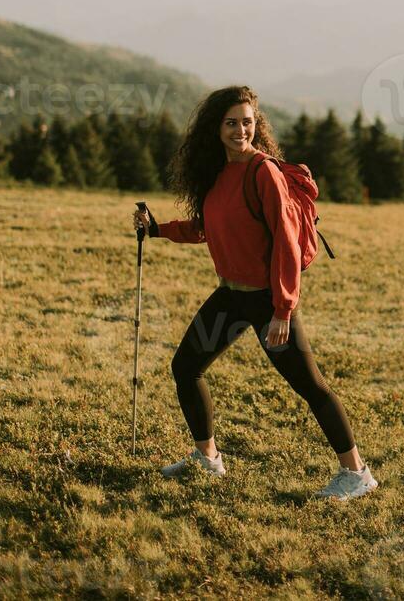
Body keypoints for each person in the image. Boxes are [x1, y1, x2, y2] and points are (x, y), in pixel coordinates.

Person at [132, 84, 378, 501]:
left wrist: (283, 309)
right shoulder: (217, 175)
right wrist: (157, 229)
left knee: (310, 386)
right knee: (186, 367)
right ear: (216, 128)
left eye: (247, 122)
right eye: (231, 123)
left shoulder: (262, 172)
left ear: (256, 124)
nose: (240, 130)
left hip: (266, 301)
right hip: (230, 297)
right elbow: (207, 228)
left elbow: (284, 241)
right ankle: (207, 459)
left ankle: (357, 474)